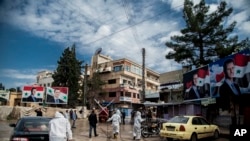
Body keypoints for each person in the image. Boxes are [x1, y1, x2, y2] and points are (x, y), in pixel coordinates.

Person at [219, 58, 241, 125]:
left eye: (233, 68)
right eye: (229, 69)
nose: (231, 71)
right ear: (224, 71)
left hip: (238, 113)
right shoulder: (222, 88)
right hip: (229, 115)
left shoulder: (236, 86)